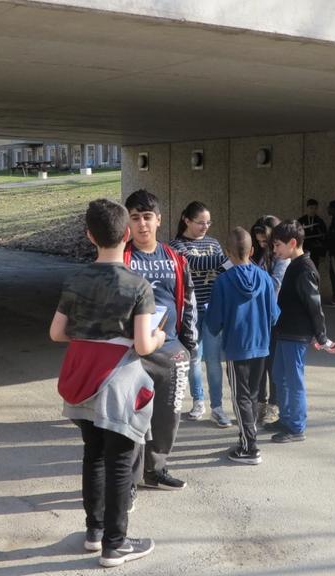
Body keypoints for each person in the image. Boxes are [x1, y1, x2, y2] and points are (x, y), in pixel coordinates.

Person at [49, 198, 163, 567]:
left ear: (89, 236)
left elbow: (56, 333)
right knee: (119, 460)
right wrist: (160, 337)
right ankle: (117, 544)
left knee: (93, 454)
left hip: (81, 376)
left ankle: (94, 533)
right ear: (127, 234)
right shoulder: (138, 285)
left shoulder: (75, 279)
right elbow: (144, 345)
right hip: (119, 382)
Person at [123, 189, 197, 491]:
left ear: (159, 220)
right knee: (131, 419)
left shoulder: (175, 258)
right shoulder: (121, 257)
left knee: (168, 416)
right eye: (136, 218)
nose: (142, 224)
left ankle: (157, 469)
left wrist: (190, 344)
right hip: (132, 352)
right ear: (128, 222)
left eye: (147, 218)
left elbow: (189, 302)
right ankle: (128, 478)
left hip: (171, 349)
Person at [205, 227, 280, 465]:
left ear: (228, 252)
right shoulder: (266, 278)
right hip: (262, 345)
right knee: (253, 395)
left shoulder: (223, 281)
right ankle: (248, 437)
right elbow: (274, 315)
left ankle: (249, 447)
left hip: (237, 348)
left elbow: (213, 322)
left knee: (241, 398)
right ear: (252, 250)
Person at [265, 220, 335, 443]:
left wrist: (321, 336)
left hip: (296, 334)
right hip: (284, 331)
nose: (275, 250)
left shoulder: (305, 269)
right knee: (280, 376)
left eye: (278, 245)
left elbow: (314, 306)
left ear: (293, 243)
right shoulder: (294, 264)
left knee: (293, 380)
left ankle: (296, 427)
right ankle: (286, 419)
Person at [169, 201, 232, 428]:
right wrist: (231, 257)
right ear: (187, 220)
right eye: (200, 223)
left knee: (213, 360)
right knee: (194, 358)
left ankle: (217, 407)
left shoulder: (213, 243)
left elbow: (224, 271)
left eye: (208, 222)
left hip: (213, 308)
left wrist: (227, 261)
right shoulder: (176, 246)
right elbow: (193, 263)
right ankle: (198, 401)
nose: (205, 227)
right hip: (190, 311)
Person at [250, 215, 289, 424]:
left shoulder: (281, 258)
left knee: (273, 364)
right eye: (258, 242)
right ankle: (260, 403)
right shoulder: (257, 255)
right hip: (257, 317)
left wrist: (252, 276)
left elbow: (275, 286)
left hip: (275, 316)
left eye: (266, 242)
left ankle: (274, 405)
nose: (262, 245)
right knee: (258, 363)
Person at [298, 199, 328, 269]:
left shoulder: (320, 221)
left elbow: (324, 237)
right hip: (304, 251)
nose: (313, 210)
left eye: (315, 208)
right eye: (311, 208)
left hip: (315, 252)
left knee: (314, 270)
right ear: (307, 208)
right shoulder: (301, 220)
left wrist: (322, 254)